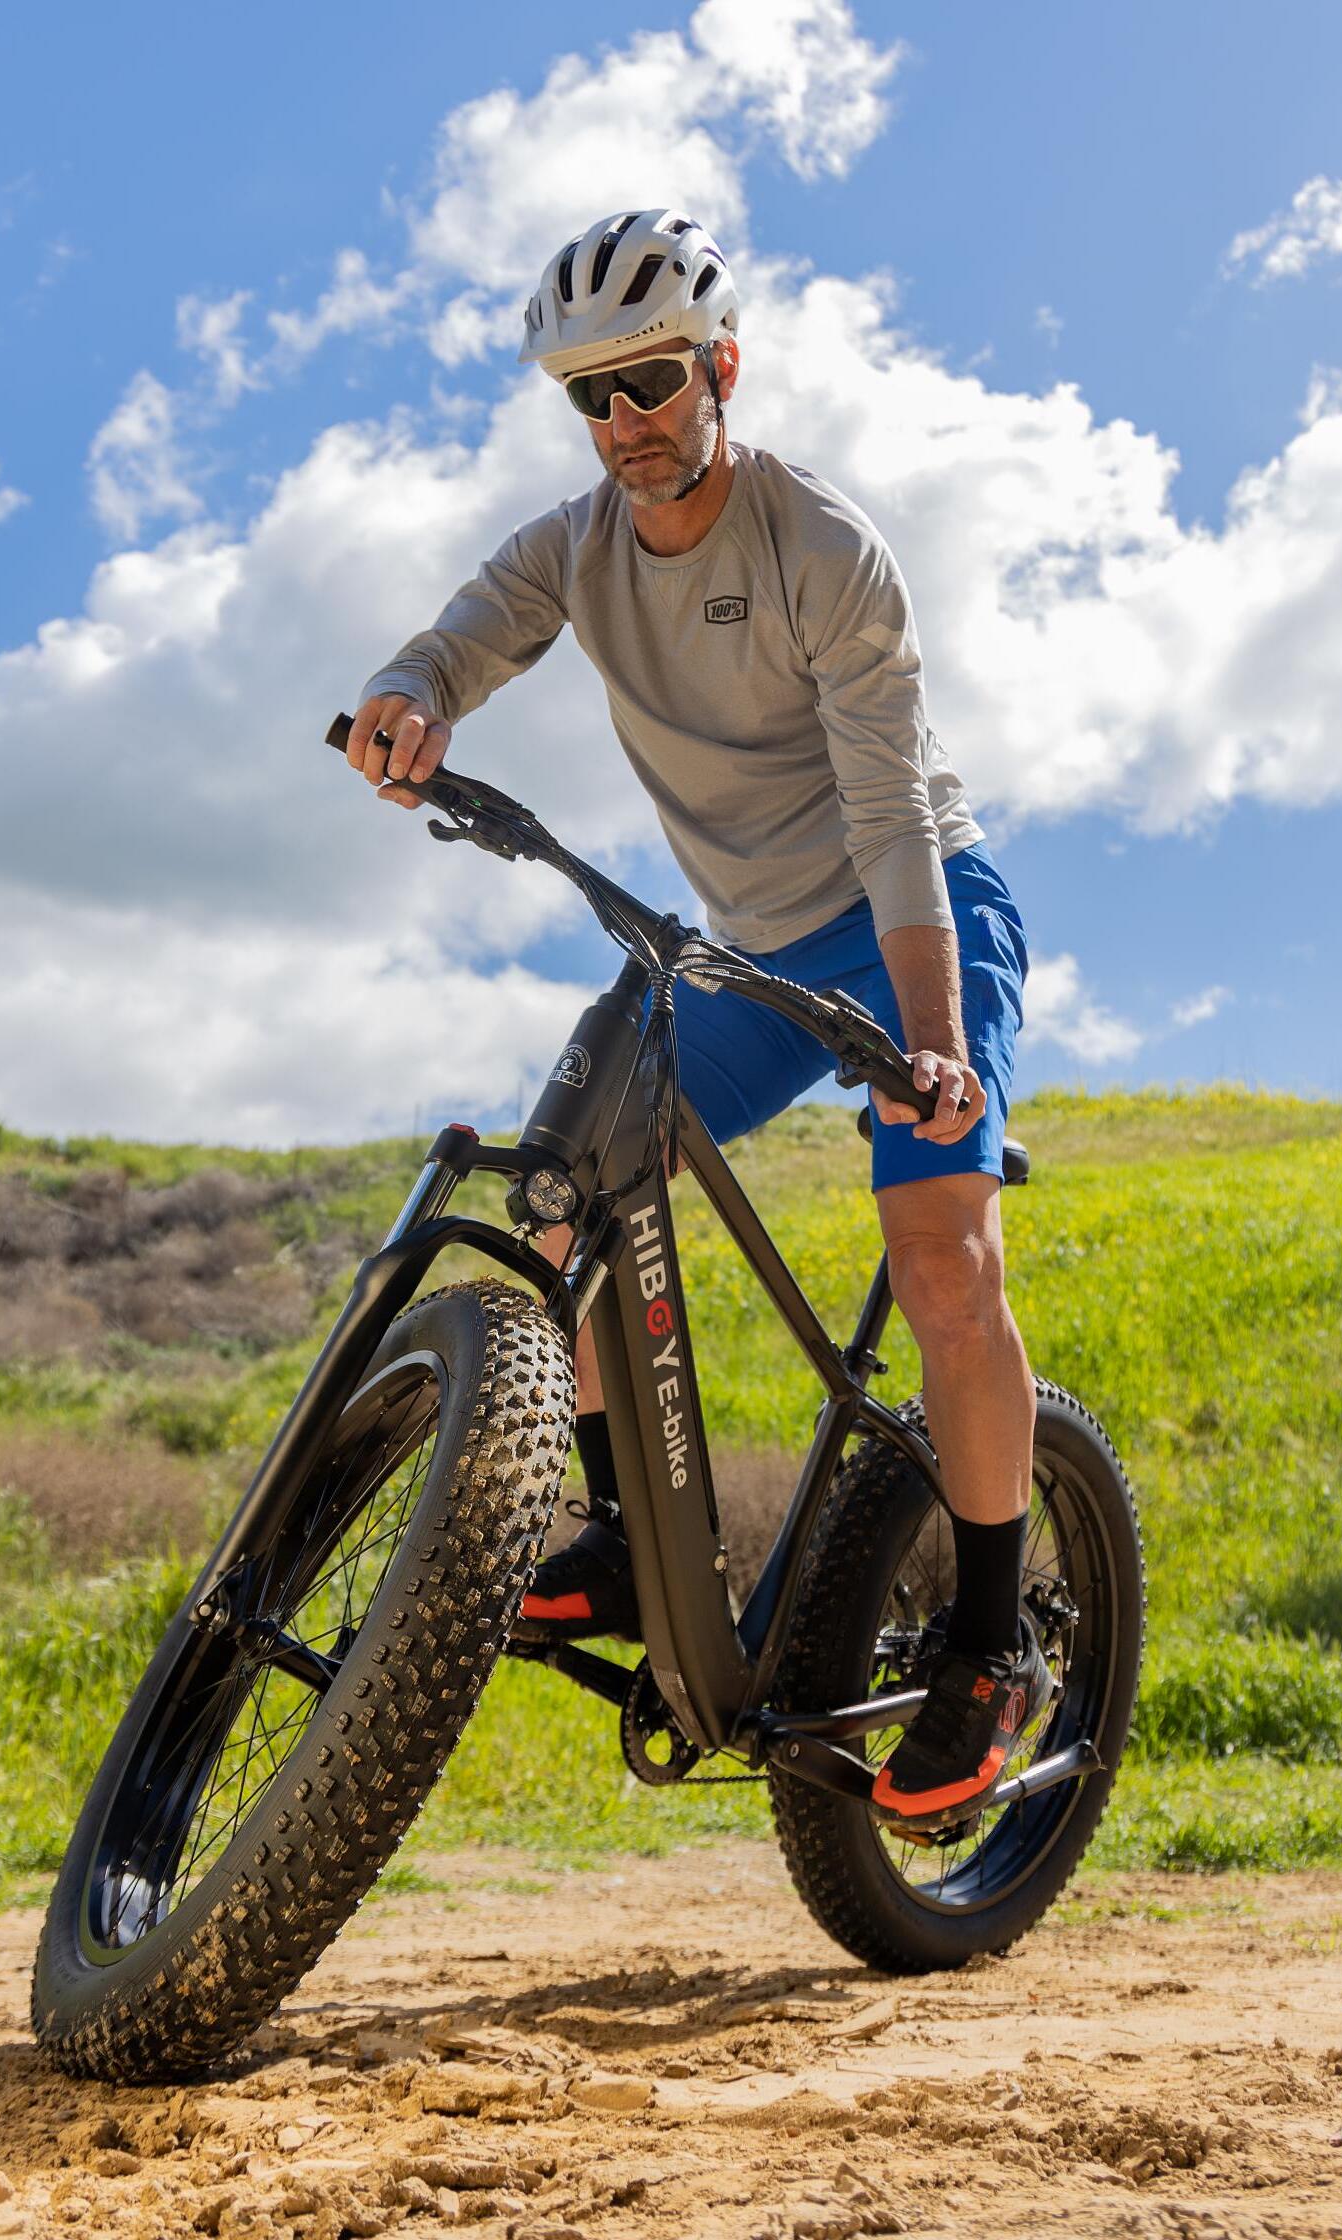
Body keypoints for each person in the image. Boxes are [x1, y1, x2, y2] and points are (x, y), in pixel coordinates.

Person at [342, 208, 1037, 1824]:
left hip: (906, 921)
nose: (624, 423)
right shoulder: (577, 548)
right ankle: (618, 1536)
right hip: (742, 953)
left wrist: (930, 1042)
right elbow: (462, 640)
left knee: (940, 1238)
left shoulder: (822, 548)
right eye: (590, 398)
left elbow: (892, 822)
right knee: (570, 1177)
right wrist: (409, 695)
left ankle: (991, 1641)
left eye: (650, 380)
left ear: (719, 366)